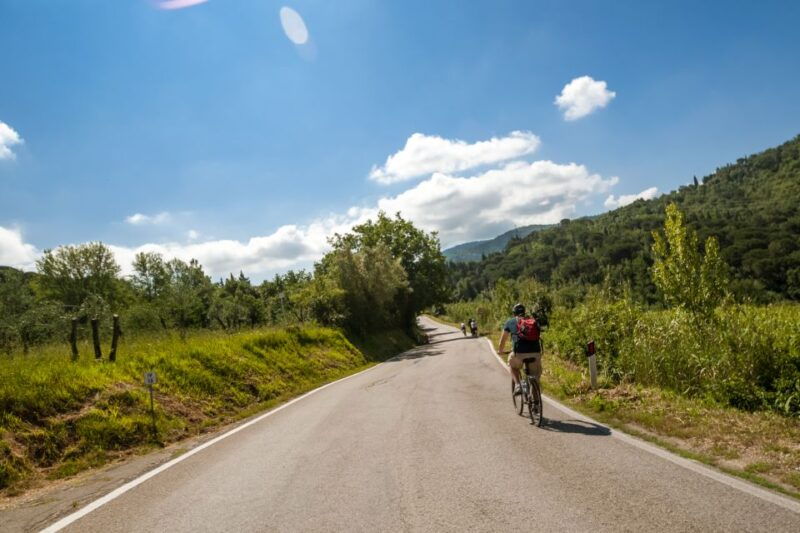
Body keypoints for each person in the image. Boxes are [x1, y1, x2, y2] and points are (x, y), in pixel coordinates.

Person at [497, 303, 542, 394]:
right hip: (536, 352)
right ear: (524, 312)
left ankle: (518, 385)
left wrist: (500, 351)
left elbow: (503, 340)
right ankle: (536, 402)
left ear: (514, 313)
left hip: (519, 354)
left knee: (512, 365)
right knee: (535, 376)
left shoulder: (510, 322)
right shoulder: (532, 320)